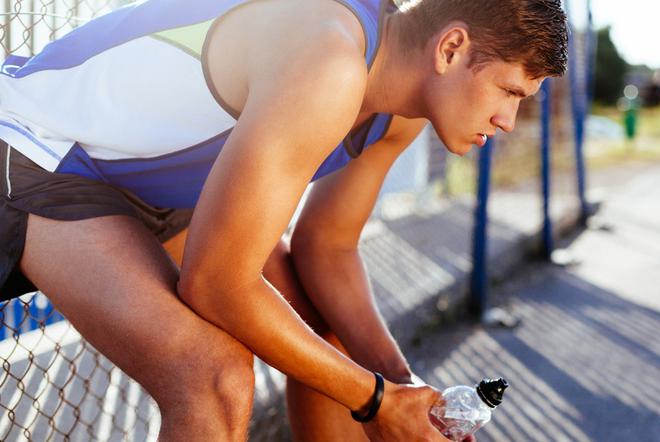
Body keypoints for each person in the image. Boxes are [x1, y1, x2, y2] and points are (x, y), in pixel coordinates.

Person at [0, 0, 567, 440]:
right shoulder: (332, 60)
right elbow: (217, 284)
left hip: (141, 186)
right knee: (213, 376)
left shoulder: (400, 113)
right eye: (508, 91)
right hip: (39, 147)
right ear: (450, 49)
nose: (508, 119)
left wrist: (403, 386)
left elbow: (328, 249)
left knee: (324, 329)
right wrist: (376, 401)